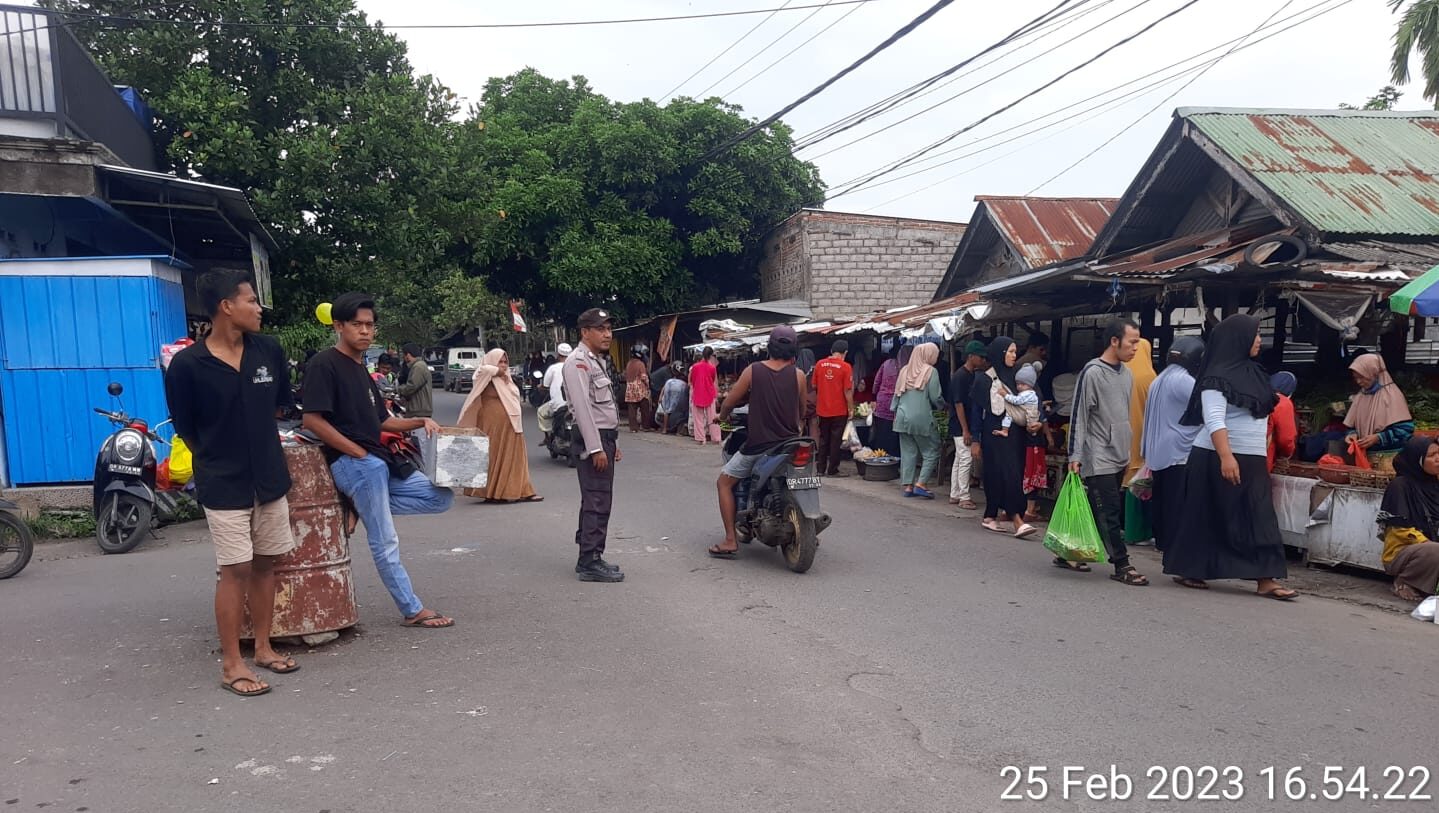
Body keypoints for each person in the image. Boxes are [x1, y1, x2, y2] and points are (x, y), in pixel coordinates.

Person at [165, 270, 298, 697]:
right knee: (235, 568)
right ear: (226, 306)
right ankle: (231, 665)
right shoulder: (188, 366)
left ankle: (263, 648)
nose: (259, 308)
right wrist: (217, 458)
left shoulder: (269, 351)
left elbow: (281, 406)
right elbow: (186, 427)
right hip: (222, 482)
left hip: (270, 478)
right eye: (251, 300)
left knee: (266, 564)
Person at [302, 292, 456, 628]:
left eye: (369, 325)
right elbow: (312, 421)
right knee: (385, 538)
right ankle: (411, 609)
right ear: (339, 326)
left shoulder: (362, 370)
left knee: (441, 496)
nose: (365, 331)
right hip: (357, 464)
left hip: (380, 460)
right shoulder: (323, 364)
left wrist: (421, 421)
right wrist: (355, 452)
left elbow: (382, 421)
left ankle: (361, 505)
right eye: (356, 324)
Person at [1163, 314, 1296, 600]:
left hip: (1253, 457)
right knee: (1206, 515)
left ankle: (1265, 578)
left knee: (1259, 516)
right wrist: (1226, 456)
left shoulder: (1256, 374)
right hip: (1215, 455)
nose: (1259, 340)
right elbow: (1213, 419)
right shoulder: (1215, 376)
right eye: (1255, 334)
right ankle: (1192, 568)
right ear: (1238, 339)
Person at [712, 325, 806, 559]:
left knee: (723, 483)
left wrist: (721, 420)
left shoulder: (753, 371)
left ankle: (730, 540)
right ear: (794, 349)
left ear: (769, 347)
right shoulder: (799, 375)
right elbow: (802, 411)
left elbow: (729, 403)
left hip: (759, 446)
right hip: (790, 445)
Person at [1067, 319, 1148, 585]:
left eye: (1138, 342)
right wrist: (1075, 455)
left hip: (1119, 453)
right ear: (1115, 341)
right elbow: (1079, 415)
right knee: (1110, 510)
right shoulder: (1092, 373)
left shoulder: (1126, 374)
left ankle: (1067, 551)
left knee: (1094, 507)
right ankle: (1122, 565)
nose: (1136, 348)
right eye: (1132, 342)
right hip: (1097, 454)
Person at [563, 308, 625, 583]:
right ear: (584, 332)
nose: (607, 334)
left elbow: (605, 408)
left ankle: (591, 555)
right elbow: (583, 409)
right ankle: (589, 560)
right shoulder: (577, 362)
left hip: (604, 438)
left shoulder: (595, 361)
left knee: (598, 498)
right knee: (597, 500)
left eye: (609, 329)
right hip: (593, 441)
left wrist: (613, 442)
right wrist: (596, 448)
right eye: (600, 329)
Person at [1140, 337, 1204, 551]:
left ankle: (1163, 540)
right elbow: (1206, 408)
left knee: (1163, 498)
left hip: (1159, 448)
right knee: (1176, 500)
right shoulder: (1184, 380)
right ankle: (1174, 543)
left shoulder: (1160, 379)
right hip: (1179, 450)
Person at [458, 348, 542, 504]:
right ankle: (492, 492)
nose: (503, 366)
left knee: (515, 457)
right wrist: (498, 370)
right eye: (499, 362)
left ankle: (522, 491)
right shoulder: (486, 375)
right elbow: (482, 370)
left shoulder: (507, 379)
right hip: (492, 423)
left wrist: (503, 374)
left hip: (512, 422)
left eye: (505, 362)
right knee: (493, 454)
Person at [973, 338, 1035, 538]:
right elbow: (976, 411)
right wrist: (975, 439)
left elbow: (1033, 398)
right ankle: (1017, 520)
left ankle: (990, 515)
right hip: (994, 434)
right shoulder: (984, 379)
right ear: (1000, 353)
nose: (1014, 355)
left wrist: (1038, 420)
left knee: (1004, 474)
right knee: (1008, 475)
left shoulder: (1017, 376)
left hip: (1016, 434)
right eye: (1010, 351)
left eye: (1015, 352)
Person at [1377, 437, 1439, 600]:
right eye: (1432, 455)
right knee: (1435, 551)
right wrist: (1426, 542)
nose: (1438, 459)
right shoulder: (1400, 486)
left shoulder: (1434, 486)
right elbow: (1400, 531)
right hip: (1402, 552)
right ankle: (1404, 582)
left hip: (1429, 547)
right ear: (1418, 460)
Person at [892, 342, 945, 500]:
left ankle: (908, 486)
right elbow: (936, 397)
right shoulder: (931, 371)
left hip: (901, 417)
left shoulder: (904, 370)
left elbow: (896, 395)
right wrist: (943, 406)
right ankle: (921, 484)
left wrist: (894, 412)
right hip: (921, 418)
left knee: (908, 452)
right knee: (932, 450)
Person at [1122, 338, 1158, 545]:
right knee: (1139, 481)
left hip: (1119, 435)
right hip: (1142, 436)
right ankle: (1136, 532)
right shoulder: (1149, 377)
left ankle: (1124, 528)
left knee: (1124, 480)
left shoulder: (1121, 372)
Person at [1346, 353, 1414, 454]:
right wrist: (1352, 434)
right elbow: (1352, 424)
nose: (1358, 382)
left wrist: (1379, 438)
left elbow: (1405, 431)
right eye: (1355, 378)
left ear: (1374, 373)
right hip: (1362, 454)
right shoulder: (1361, 396)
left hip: (1389, 458)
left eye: (1362, 377)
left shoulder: (1391, 396)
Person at [948, 340, 988, 509]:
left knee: (959, 459)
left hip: (965, 424)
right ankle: (964, 496)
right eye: (980, 357)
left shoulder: (972, 375)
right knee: (965, 459)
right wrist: (965, 429)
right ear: (971, 357)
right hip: (960, 424)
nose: (983, 360)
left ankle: (955, 493)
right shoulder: (960, 376)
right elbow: (958, 404)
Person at [813, 340, 855, 478]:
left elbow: (814, 386)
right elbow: (847, 391)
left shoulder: (819, 364)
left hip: (822, 409)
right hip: (839, 410)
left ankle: (820, 469)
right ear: (845, 353)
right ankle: (833, 470)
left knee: (824, 439)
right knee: (836, 440)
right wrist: (851, 408)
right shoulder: (846, 367)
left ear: (831, 350)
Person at [870, 343, 903, 455]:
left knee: (881, 432)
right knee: (893, 433)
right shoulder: (903, 366)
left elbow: (876, 382)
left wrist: (874, 395)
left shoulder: (885, 364)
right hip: (896, 403)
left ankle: (879, 455)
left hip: (882, 401)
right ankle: (892, 456)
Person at [537, 343, 572, 446]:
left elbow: (545, 385)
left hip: (558, 404)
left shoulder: (553, 368)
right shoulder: (575, 366)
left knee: (541, 412)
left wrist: (540, 388)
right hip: (576, 404)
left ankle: (548, 437)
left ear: (558, 354)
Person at [995, 363, 1041, 438]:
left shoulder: (1028, 394)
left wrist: (1005, 395)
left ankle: (1005, 430)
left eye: (1023, 384)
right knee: (1008, 415)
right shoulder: (1027, 393)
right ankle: (1005, 430)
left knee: (1009, 412)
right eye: (1017, 384)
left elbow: (1016, 401)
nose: (1019, 386)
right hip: (1025, 416)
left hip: (1029, 416)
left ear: (1030, 385)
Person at [689, 347, 722, 445]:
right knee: (712, 417)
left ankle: (701, 439)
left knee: (698, 418)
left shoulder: (695, 366)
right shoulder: (712, 367)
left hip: (698, 393)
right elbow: (712, 380)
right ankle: (716, 438)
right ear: (711, 355)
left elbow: (692, 380)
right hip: (709, 393)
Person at [1268, 371, 1299, 473]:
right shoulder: (1282, 402)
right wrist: (1285, 454)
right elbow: (1286, 439)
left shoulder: (1256, 396)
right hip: (1262, 457)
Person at [397, 343, 433, 419]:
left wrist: (399, 389)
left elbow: (411, 387)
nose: (403, 357)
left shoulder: (418, 367)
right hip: (418, 410)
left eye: (403, 355)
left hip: (419, 410)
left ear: (408, 355)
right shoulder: (417, 366)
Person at [625, 345, 653, 433]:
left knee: (632, 409)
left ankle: (633, 428)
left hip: (629, 388)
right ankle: (646, 427)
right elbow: (644, 377)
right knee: (645, 408)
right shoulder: (640, 364)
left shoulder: (629, 363)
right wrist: (648, 385)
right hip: (640, 388)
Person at [655, 362, 689, 435]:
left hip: (668, 401)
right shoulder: (684, 384)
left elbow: (663, 390)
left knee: (667, 409)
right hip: (679, 407)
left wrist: (660, 397)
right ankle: (679, 430)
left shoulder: (669, 381)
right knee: (681, 412)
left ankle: (664, 429)